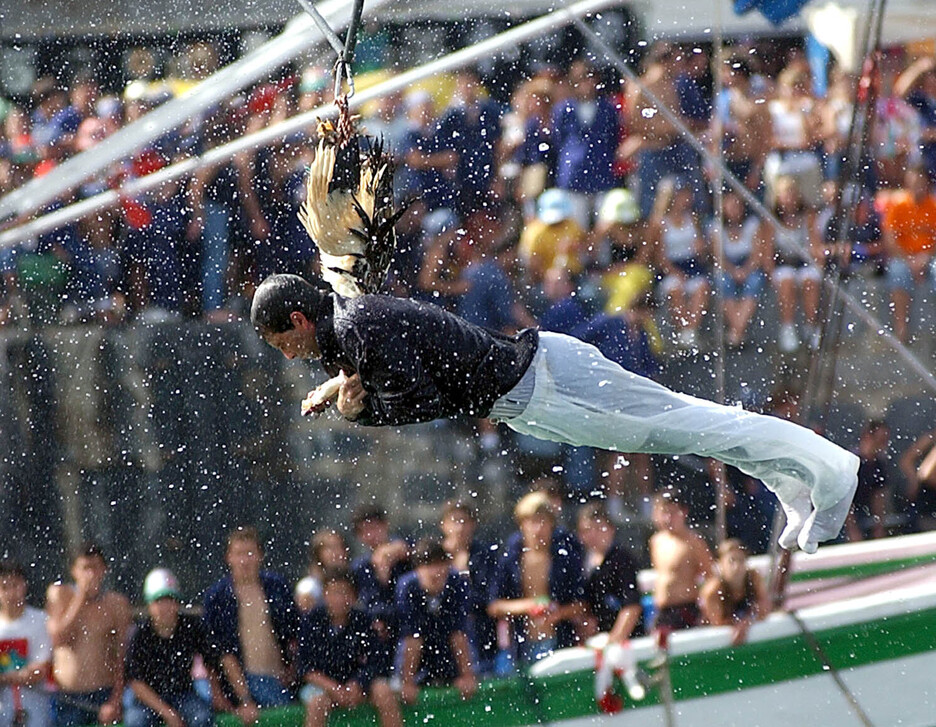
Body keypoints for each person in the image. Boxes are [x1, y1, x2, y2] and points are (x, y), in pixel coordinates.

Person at [250, 273, 859, 554]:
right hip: (539, 394)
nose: (289, 355)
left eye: (284, 343)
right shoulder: (344, 330)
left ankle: (830, 473)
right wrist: (344, 389)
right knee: (692, 430)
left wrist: (361, 413)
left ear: (299, 321)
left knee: (695, 424)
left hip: (549, 388)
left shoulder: (354, 330)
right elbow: (400, 367)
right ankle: (793, 482)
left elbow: (434, 400)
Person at [202, 527, 297, 722]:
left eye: (250, 553)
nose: (244, 560)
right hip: (242, 683)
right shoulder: (218, 597)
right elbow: (217, 652)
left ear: (260, 555)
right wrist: (242, 697)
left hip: (282, 679)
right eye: (239, 554)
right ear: (228, 557)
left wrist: (293, 669)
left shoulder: (277, 587)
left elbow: (295, 634)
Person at [488, 492, 586, 663]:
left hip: (559, 641)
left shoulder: (565, 558)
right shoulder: (510, 560)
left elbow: (582, 604)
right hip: (521, 643)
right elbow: (494, 606)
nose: (538, 529)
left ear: (551, 525)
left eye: (543, 522)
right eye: (532, 522)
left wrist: (557, 614)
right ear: (522, 525)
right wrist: (528, 606)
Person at [297, 570, 402, 727]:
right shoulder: (311, 621)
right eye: (334, 593)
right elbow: (305, 668)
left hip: (357, 684)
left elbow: (376, 661)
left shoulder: (363, 621)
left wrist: (357, 684)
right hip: (323, 685)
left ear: (354, 597)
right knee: (317, 703)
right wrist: (334, 688)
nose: (339, 599)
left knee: (384, 692)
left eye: (344, 593)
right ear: (325, 595)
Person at [46, 542, 131, 727]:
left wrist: (115, 701)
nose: (90, 574)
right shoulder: (60, 595)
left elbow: (122, 656)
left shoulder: (116, 604)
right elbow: (58, 639)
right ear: (74, 571)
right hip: (67, 696)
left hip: (103, 695)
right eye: (85, 568)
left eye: (95, 567)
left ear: (105, 570)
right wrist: (81, 598)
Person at [123, 569, 214, 727]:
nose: (165, 607)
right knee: (136, 722)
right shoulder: (139, 635)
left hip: (183, 694)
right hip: (147, 701)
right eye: (159, 601)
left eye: (170, 600)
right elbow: (136, 683)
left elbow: (212, 661)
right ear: (150, 605)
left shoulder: (191, 627)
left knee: (202, 717)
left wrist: (218, 697)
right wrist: (167, 712)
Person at [396, 539, 477, 704]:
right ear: (418, 569)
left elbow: (458, 633)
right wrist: (408, 682)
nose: (435, 573)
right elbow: (413, 637)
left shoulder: (456, 582)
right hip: (419, 651)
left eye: (440, 565)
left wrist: (467, 676)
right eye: (428, 566)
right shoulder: (408, 587)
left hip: (448, 647)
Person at [575, 503, 643, 643]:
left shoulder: (622, 560)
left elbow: (632, 606)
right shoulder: (581, 561)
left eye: (599, 529)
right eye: (587, 530)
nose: (593, 535)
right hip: (596, 639)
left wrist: (614, 642)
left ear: (611, 529)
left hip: (625, 640)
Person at [649, 493, 713, 632]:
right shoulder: (656, 541)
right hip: (662, 611)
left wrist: (707, 611)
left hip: (685, 609)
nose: (668, 518)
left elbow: (711, 579)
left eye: (672, 513)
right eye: (664, 512)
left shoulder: (694, 542)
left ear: (684, 512)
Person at [0, 559, 52, 727]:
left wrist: (5, 677)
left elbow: (39, 671)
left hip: (35, 707)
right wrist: (19, 675)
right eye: (4, 587)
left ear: (25, 585)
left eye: (15, 585)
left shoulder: (41, 620)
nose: (10, 593)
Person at [699, 539, 769, 645]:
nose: (737, 567)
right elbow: (718, 623)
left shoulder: (753, 578)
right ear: (720, 564)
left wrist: (746, 622)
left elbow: (766, 607)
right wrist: (743, 623)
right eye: (731, 561)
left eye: (741, 560)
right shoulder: (712, 591)